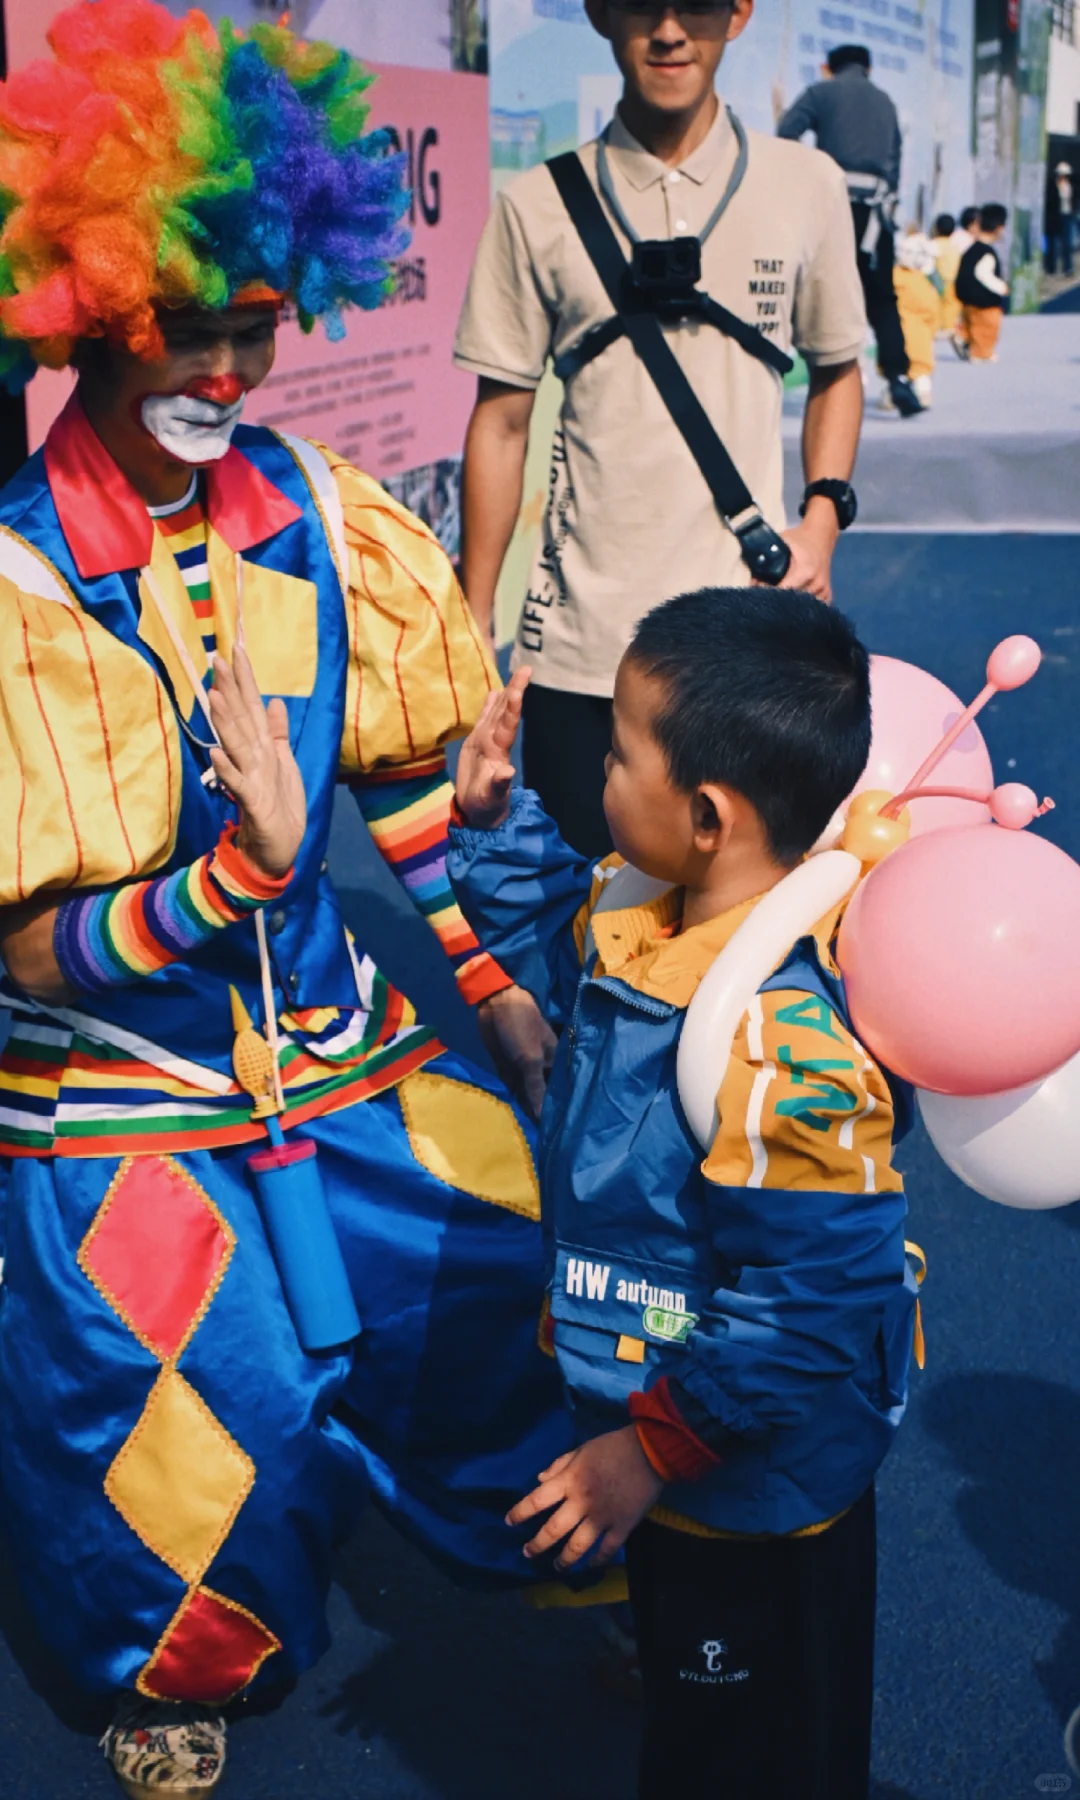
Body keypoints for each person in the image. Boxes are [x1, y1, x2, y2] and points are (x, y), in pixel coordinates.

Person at [0, 5, 571, 1793]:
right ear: (91, 312)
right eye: (193, 329)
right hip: (112, 1082)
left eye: (259, 328)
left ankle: (556, 1537)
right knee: (194, 1383)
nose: (235, 372)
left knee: (493, 1232)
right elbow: (26, 942)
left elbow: (396, 782)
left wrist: (484, 984)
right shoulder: (15, 581)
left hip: (327, 1026)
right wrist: (232, 878)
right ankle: (170, 1667)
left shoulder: (316, 511)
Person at [447, 587, 920, 1800]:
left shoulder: (783, 1051)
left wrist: (649, 1451)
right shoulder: (640, 903)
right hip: (661, 1441)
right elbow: (564, 937)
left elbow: (814, 1301)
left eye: (615, 751)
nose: (598, 769)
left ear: (707, 816)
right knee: (693, 1698)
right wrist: (495, 827)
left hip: (748, 1486)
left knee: (757, 1758)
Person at [455, 0, 867, 860]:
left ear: (741, 14)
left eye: (700, 4)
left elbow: (837, 369)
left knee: (736, 930)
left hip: (745, 636)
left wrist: (821, 520)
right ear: (603, 14)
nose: (671, 30)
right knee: (582, 918)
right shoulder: (535, 205)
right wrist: (473, 611)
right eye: (644, 3)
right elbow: (500, 421)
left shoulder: (807, 185)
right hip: (577, 648)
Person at [778, 43, 924, 419]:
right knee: (882, 299)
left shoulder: (820, 93)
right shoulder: (886, 102)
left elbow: (785, 132)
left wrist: (808, 176)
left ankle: (812, 379)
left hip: (834, 207)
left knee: (815, 291)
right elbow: (895, 163)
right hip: (876, 216)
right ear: (868, 69)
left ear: (829, 67)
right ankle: (898, 379)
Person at [891, 225, 941, 409]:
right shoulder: (924, 285)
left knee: (896, 371)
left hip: (895, 332)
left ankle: (892, 395)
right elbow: (932, 310)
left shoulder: (894, 277)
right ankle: (923, 393)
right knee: (920, 370)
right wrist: (934, 328)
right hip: (919, 333)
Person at [956, 202, 1010, 363]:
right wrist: (1002, 287)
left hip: (966, 296)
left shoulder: (971, 249)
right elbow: (984, 275)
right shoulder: (987, 252)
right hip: (983, 299)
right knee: (987, 327)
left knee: (972, 323)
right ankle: (980, 353)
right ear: (999, 228)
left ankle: (963, 336)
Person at [930, 211, 962, 336]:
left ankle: (936, 327)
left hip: (937, 281)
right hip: (953, 281)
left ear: (937, 228)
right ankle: (949, 327)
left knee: (937, 304)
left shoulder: (933, 244)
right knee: (951, 305)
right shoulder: (954, 245)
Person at [1045, 161, 1075, 277]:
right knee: (1052, 243)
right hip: (1055, 217)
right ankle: (1051, 267)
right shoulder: (1052, 185)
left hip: (1066, 215)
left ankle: (1067, 267)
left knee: (1067, 243)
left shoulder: (1070, 185)